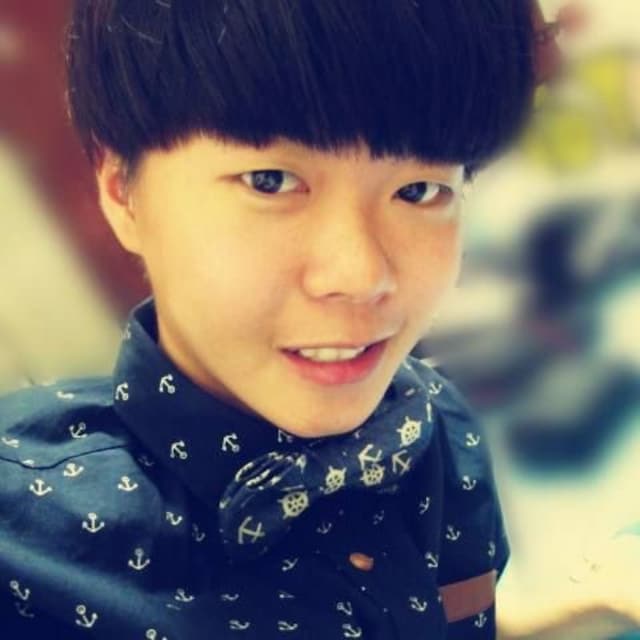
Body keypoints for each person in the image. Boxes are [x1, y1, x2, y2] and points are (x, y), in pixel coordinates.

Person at [0, 1, 537, 638]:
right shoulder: (24, 552)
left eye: (419, 190)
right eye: (270, 180)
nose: (361, 276)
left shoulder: (444, 430)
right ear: (124, 193)